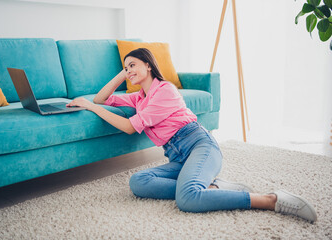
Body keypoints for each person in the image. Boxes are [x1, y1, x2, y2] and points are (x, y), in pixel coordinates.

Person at [67, 48, 317, 222]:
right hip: (178, 158)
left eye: (133, 65)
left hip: (200, 146)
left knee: (187, 199)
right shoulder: (139, 97)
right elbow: (102, 98)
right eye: (126, 67)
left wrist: (92, 107)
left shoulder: (164, 90)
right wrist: (124, 73)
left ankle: (270, 199)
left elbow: (129, 126)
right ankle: (212, 186)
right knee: (138, 182)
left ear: (148, 65)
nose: (129, 70)